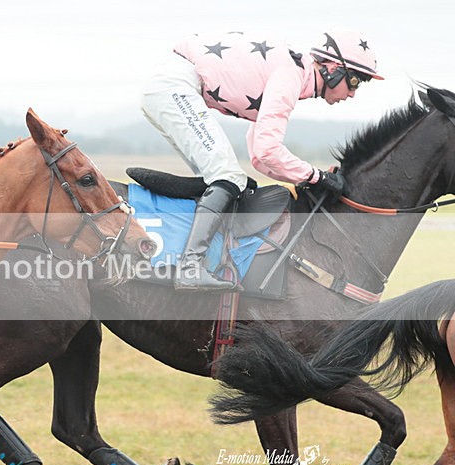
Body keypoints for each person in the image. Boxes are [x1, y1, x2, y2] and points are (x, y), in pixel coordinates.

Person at [140, 30, 382, 291]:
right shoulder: (290, 76)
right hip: (176, 86)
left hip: (171, 86)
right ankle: (190, 268)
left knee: (227, 179)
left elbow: (258, 157)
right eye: (355, 81)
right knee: (227, 176)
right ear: (333, 69)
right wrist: (317, 176)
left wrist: (308, 179)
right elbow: (268, 150)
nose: (353, 93)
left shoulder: (293, 74)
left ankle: (202, 260)